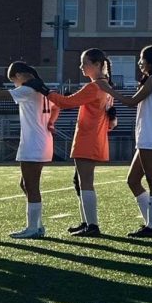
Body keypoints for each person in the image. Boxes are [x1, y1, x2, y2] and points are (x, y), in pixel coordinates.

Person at [0, 61, 59, 239]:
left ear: (19, 75)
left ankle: (33, 228)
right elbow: (56, 106)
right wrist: (50, 122)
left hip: (33, 143)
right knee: (26, 184)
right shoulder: (41, 88)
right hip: (40, 140)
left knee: (31, 185)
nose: (15, 84)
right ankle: (36, 225)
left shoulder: (28, 89)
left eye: (13, 80)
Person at [98, 45, 152, 238]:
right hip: (148, 135)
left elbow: (131, 101)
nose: (139, 63)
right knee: (133, 180)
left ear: (150, 61)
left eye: (141, 59)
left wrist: (109, 90)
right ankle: (149, 223)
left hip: (150, 136)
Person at [47, 48, 116, 238]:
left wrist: (47, 92)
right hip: (93, 137)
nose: (81, 66)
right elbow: (112, 120)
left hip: (88, 138)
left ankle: (92, 225)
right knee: (80, 181)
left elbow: (67, 102)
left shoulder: (95, 87)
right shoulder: (104, 86)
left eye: (85, 63)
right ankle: (87, 222)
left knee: (85, 182)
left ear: (96, 65)